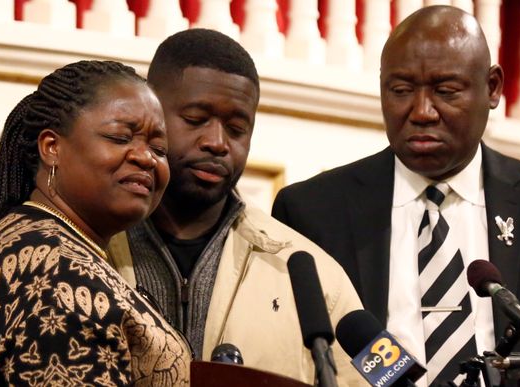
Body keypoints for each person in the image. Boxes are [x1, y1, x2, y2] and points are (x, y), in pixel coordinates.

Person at [272, 5, 520, 387]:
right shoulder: (312, 212)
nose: (421, 111)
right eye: (401, 90)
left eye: (445, 91)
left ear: (493, 88)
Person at [105, 28, 364, 385]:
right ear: (151, 114)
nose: (216, 142)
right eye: (195, 120)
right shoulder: (88, 248)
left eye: (237, 128)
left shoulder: (312, 275)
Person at [0, 60, 191, 385]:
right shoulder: (60, 282)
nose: (146, 157)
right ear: (52, 147)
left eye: (159, 148)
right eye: (119, 137)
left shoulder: (32, 241)